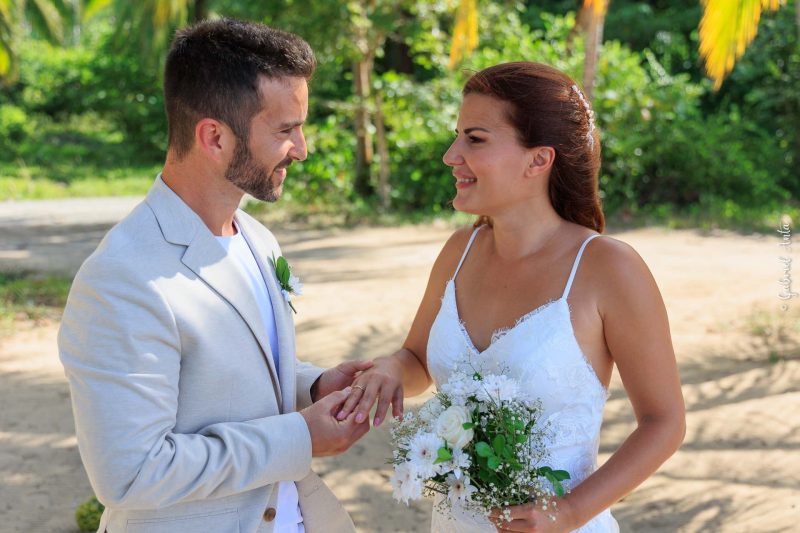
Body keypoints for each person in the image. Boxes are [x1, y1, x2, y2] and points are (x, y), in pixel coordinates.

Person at [337, 62, 686, 532]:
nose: (450, 155)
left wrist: (571, 511)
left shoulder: (608, 268)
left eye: (474, 139)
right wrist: (388, 369)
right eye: (457, 136)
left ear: (538, 160)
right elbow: (416, 359)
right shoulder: (459, 251)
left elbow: (664, 421)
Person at [58, 19, 371, 533]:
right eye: (286, 130)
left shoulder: (255, 237)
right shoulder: (121, 280)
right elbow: (130, 473)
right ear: (214, 137)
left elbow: (224, 377)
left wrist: (312, 387)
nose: (303, 148)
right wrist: (300, 438)